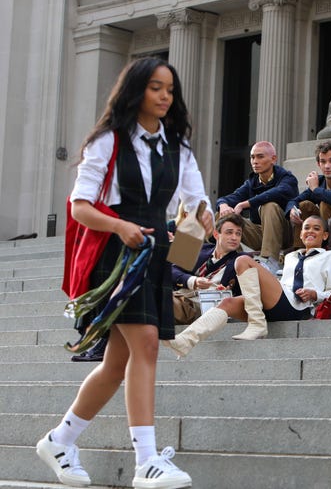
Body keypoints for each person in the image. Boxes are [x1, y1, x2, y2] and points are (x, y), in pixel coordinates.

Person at [36, 56, 214, 489]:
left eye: (170, 89)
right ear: (137, 90)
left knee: (117, 364)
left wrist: (200, 233)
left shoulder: (180, 147)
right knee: (147, 345)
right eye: (156, 87)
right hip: (118, 255)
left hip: (155, 254)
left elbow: (195, 205)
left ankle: (60, 440)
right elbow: (80, 207)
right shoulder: (108, 141)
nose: (165, 96)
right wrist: (120, 226)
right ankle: (146, 461)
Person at [163, 215, 331, 357]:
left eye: (316, 229)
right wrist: (192, 279)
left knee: (244, 261)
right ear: (216, 234)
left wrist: (314, 294)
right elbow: (170, 268)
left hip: (300, 306)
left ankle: (257, 324)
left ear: (325, 235)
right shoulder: (290, 257)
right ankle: (185, 341)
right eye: (306, 228)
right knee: (227, 304)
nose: (310, 231)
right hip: (278, 300)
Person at [216, 141, 299, 274]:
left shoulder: (287, 179)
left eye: (260, 157)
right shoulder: (251, 182)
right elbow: (229, 198)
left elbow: (275, 193)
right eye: (252, 157)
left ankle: (270, 261)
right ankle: (224, 259)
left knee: (269, 206)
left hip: (285, 234)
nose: (255, 161)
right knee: (223, 215)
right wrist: (223, 205)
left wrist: (245, 204)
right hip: (260, 234)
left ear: (273, 159)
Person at [171, 214, 247, 324]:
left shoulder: (242, 259)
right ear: (216, 234)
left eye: (238, 234)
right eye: (229, 232)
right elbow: (171, 270)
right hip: (180, 296)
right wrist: (194, 281)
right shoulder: (199, 248)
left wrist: (229, 292)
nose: (234, 237)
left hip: (201, 307)